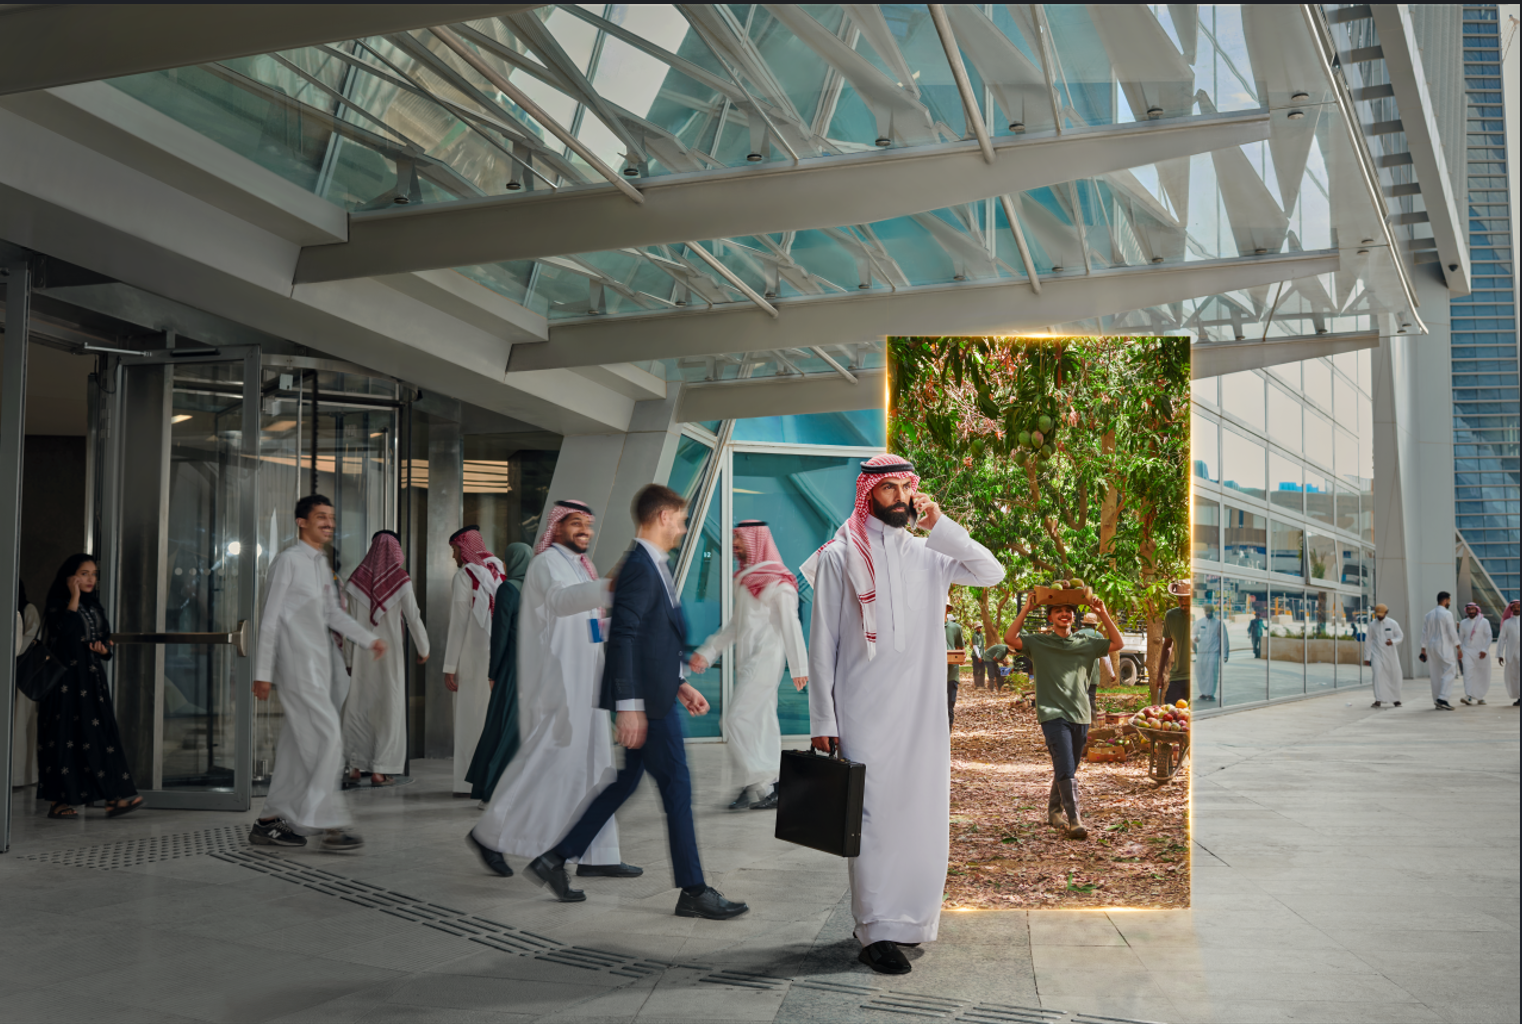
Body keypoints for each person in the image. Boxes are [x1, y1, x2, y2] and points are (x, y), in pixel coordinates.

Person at [803, 455, 1004, 976]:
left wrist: (939, 524)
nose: (897, 497)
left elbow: (992, 571)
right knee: (872, 819)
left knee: (920, 814)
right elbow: (821, 643)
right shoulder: (837, 556)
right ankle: (874, 929)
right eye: (887, 487)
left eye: (905, 487)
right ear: (867, 493)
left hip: (922, 713)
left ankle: (912, 922)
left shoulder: (928, 555)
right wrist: (823, 720)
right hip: (861, 710)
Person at [526, 486, 745, 920]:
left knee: (625, 784)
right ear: (663, 516)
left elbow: (654, 640)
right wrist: (628, 706)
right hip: (649, 707)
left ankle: (554, 859)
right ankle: (694, 889)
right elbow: (622, 637)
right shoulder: (641, 569)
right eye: (681, 520)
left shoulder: (653, 565)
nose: (684, 529)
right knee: (678, 791)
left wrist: (680, 682)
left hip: (657, 698)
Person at [470, 502, 641, 881]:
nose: (584, 530)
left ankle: (599, 854)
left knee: (598, 767)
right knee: (543, 762)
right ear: (556, 527)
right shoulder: (546, 564)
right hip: (559, 682)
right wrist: (610, 585)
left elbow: (590, 628)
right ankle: (489, 835)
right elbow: (564, 604)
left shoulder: (581, 567)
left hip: (587, 680)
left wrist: (624, 626)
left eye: (587, 524)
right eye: (575, 523)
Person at [252, 495, 386, 852]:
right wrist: (262, 672)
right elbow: (269, 620)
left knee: (298, 747)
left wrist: (368, 639)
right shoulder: (288, 562)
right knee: (327, 740)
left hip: (319, 666)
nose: (328, 523)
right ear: (301, 522)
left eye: (331, 517)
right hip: (296, 668)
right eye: (320, 517)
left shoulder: (320, 563)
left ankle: (268, 820)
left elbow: (332, 614)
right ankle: (331, 823)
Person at [690, 520, 808, 811]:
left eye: (740, 539)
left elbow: (791, 626)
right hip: (747, 664)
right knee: (762, 723)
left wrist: (799, 667)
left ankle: (761, 783)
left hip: (765, 662)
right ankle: (766, 785)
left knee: (734, 720)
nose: (735, 545)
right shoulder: (744, 580)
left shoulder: (779, 582)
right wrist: (708, 651)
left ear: (756, 541)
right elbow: (734, 626)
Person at [1005, 593, 1123, 842]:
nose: (1064, 613)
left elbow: (1117, 643)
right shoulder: (1038, 643)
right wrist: (1026, 608)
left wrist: (1103, 613)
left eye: (1068, 610)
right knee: (1066, 765)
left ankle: (1054, 811)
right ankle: (1074, 819)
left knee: (1068, 765)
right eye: (1058, 610)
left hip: (1080, 714)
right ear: (1050, 617)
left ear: (1073, 617)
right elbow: (1009, 638)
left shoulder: (1086, 642)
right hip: (1052, 714)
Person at [35, 555, 143, 820]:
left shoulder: (95, 607)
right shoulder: (58, 604)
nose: (90, 579)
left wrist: (104, 650)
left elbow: (104, 640)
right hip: (64, 684)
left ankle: (114, 798)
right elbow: (62, 631)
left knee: (101, 736)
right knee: (65, 737)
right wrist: (73, 596)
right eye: (83, 574)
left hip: (91, 680)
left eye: (94, 574)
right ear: (70, 577)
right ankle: (59, 802)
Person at [342, 530, 429, 788]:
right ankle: (380, 771)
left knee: (359, 707)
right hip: (389, 657)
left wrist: (349, 658)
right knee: (388, 709)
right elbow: (413, 617)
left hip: (361, 656)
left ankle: (355, 766)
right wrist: (423, 648)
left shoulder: (356, 580)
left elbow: (347, 627)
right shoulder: (400, 579)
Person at [463, 542, 531, 802]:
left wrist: (493, 673)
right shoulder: (538, 590)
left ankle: (491, 787)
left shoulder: (508, 589)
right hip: (534, 666)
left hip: (512, 667)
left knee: (500, 724)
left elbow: (499, 636)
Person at [443, 526, 504, 795]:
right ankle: (491, 779)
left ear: (464, 547)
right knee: (490, 720)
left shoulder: (463, 576)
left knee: (469, 720)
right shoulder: (498, 570)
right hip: (497, 658)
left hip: (470, 660)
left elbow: (458, 625)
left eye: (455, 549)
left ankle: (466, 784)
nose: (455, 556)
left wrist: (449, 667)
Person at [12, 582, 42, 788]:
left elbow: (31, 639)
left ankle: (18, 776)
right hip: (12, 671)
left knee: (20, 724)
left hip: (21, 675)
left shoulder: (27, 609)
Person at [1419, 591, 1462, 711]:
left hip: (1431, 647)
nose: (1449, 603)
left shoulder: (1428, 615)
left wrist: (1423, 649)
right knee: (1450, 669)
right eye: (1449, 601)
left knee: (1435, 674)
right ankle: (1443, 698)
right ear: (1445, 600)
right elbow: (1452, 632)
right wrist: (1458, 647)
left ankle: (1437, 699)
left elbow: (1424, 633)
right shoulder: (1447, 614)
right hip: (1444, 646)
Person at [1363, 603, 1404, 707]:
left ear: (1386, 612)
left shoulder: (1393, 623)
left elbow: (1400, 636)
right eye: (1378, 614)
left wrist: (1393, 641)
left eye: (1381, 614)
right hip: (1377, 655)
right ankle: (1378, 699)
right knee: (1377, 675)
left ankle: (1396, 699)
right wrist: (1367, 657)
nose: (1379, 616)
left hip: (1391, 656)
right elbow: (1368, 641)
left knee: (1394, 676)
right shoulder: (1372, 625)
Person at [1158, 582, 1192, 705]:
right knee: (1170, 712)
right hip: (1178, 676)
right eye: (1180, 598)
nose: (1183, 602)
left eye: (1187, 598)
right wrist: (1160, 674)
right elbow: (1167, 645)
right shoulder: (1171, 616)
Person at [1458, 603, 1494, 706]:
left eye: (1473, 609)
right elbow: (1460, 638)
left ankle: (1480, 696)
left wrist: (1484, 650)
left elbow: (1489, 636)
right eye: (1469, 609)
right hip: (1467, 651)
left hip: (1481, 652)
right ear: (1466, 611)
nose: (1471, 611)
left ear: (1477, 610)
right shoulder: (1463, 623)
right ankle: (1468, 696)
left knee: (1481, 675)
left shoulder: (1484, 622)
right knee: (1468, 674)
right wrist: (1459, 651)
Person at [1192, 603, 1228, 703]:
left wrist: (1225, 654)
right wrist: (1195, 638)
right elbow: (1193, 632)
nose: (1208, 615)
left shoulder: (1218, 623)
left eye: (1210, 613)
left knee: (1212, 672)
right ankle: (1203, 693)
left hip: (1214, 652)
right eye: (1206, 613)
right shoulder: (1199, 622)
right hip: (1202, 652)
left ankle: (1210, 694)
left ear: (1213, 612)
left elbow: (1224, 639)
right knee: (1201, 672)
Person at [944, 604, 964, 729]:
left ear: (948, 608)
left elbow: (961, 649)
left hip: (951, 673)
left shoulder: (956, 628)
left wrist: (960, 657)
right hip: (933, 673)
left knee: (950, 704)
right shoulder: (929, 627)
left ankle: (948, 732)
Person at [1497, 599, 1520, 707]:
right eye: (1514, 607)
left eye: (1518, 607)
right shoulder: (1507, 622)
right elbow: (1502, 639)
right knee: (1514, 676)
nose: (1516, 609)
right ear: (1511, 609)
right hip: (1512, 655)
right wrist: (1500, 654)